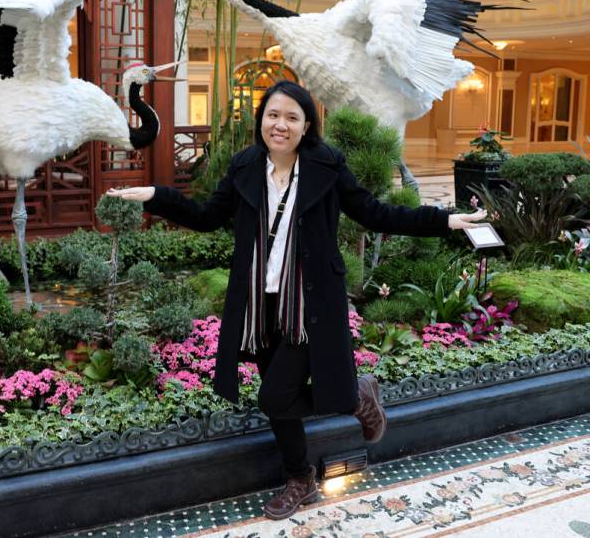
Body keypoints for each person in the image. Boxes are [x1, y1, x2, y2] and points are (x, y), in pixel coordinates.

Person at [107, 80, 487, 521]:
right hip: (261, 305)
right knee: (279, 402)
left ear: (307, 125)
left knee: (273, 398)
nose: (280, 125)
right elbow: (207, 216)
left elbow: (375, 212)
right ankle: (301, 477)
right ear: (261, 121)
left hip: (310, 305)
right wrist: (158, 196)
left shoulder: (327, 166)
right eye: (272, 115)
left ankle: (354, 398)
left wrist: (445, 219)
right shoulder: (245, 166)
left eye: (291, 117)